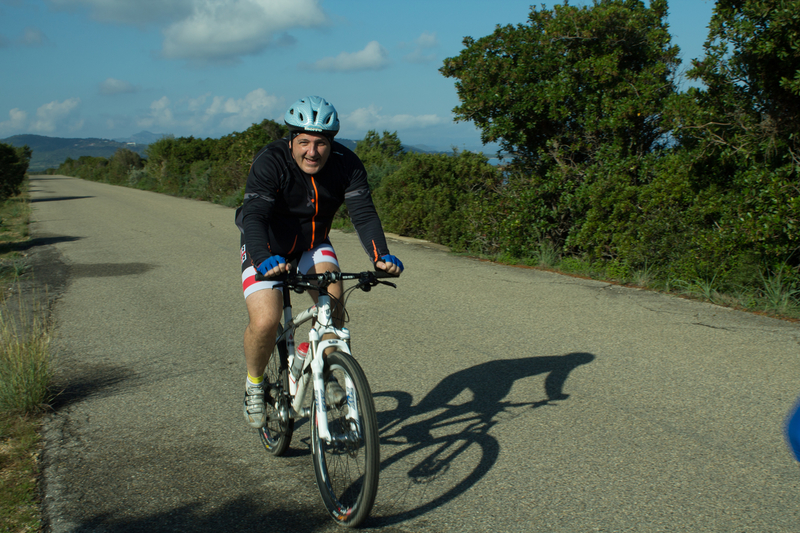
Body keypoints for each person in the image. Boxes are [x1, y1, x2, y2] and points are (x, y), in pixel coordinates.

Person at [235, 95, 403, 428]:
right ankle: (254, 385)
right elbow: (253, 215)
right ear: (292, 140)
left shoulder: (347, 164)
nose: (313, 152)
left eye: (321, 143)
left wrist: (380, 255)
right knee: (267, 321)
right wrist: (263, 257)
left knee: (334, 306)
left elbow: (363, 213)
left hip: (313, 244)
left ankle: (322, 370)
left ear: (332, 143)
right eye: (305, 142)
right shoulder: (271, 161)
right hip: (266, 247)